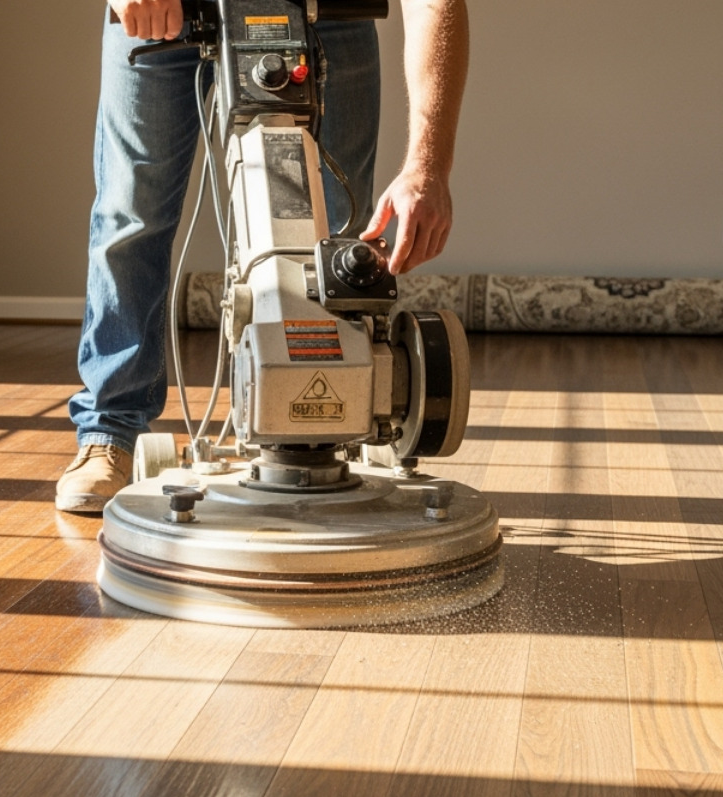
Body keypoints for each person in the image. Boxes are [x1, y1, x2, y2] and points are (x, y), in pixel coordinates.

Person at [56, 0, 469, 512]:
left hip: (327, 15)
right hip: (163, 10)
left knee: (337, 231)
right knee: (131, 217)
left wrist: (427, 169)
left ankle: (340, 424)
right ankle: (110, 432)